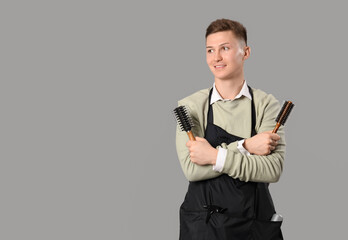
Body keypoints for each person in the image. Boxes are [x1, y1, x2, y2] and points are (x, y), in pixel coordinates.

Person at [175, 19, 285, 240]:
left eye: (225, 48)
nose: (216, 57)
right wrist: (245, 146)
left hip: (254, 225)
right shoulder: (191, 106)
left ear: (245, 52)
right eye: (210, 50)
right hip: (203, 226)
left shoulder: (266, 104)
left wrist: (214, 156)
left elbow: (272, 170)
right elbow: (192, 169)